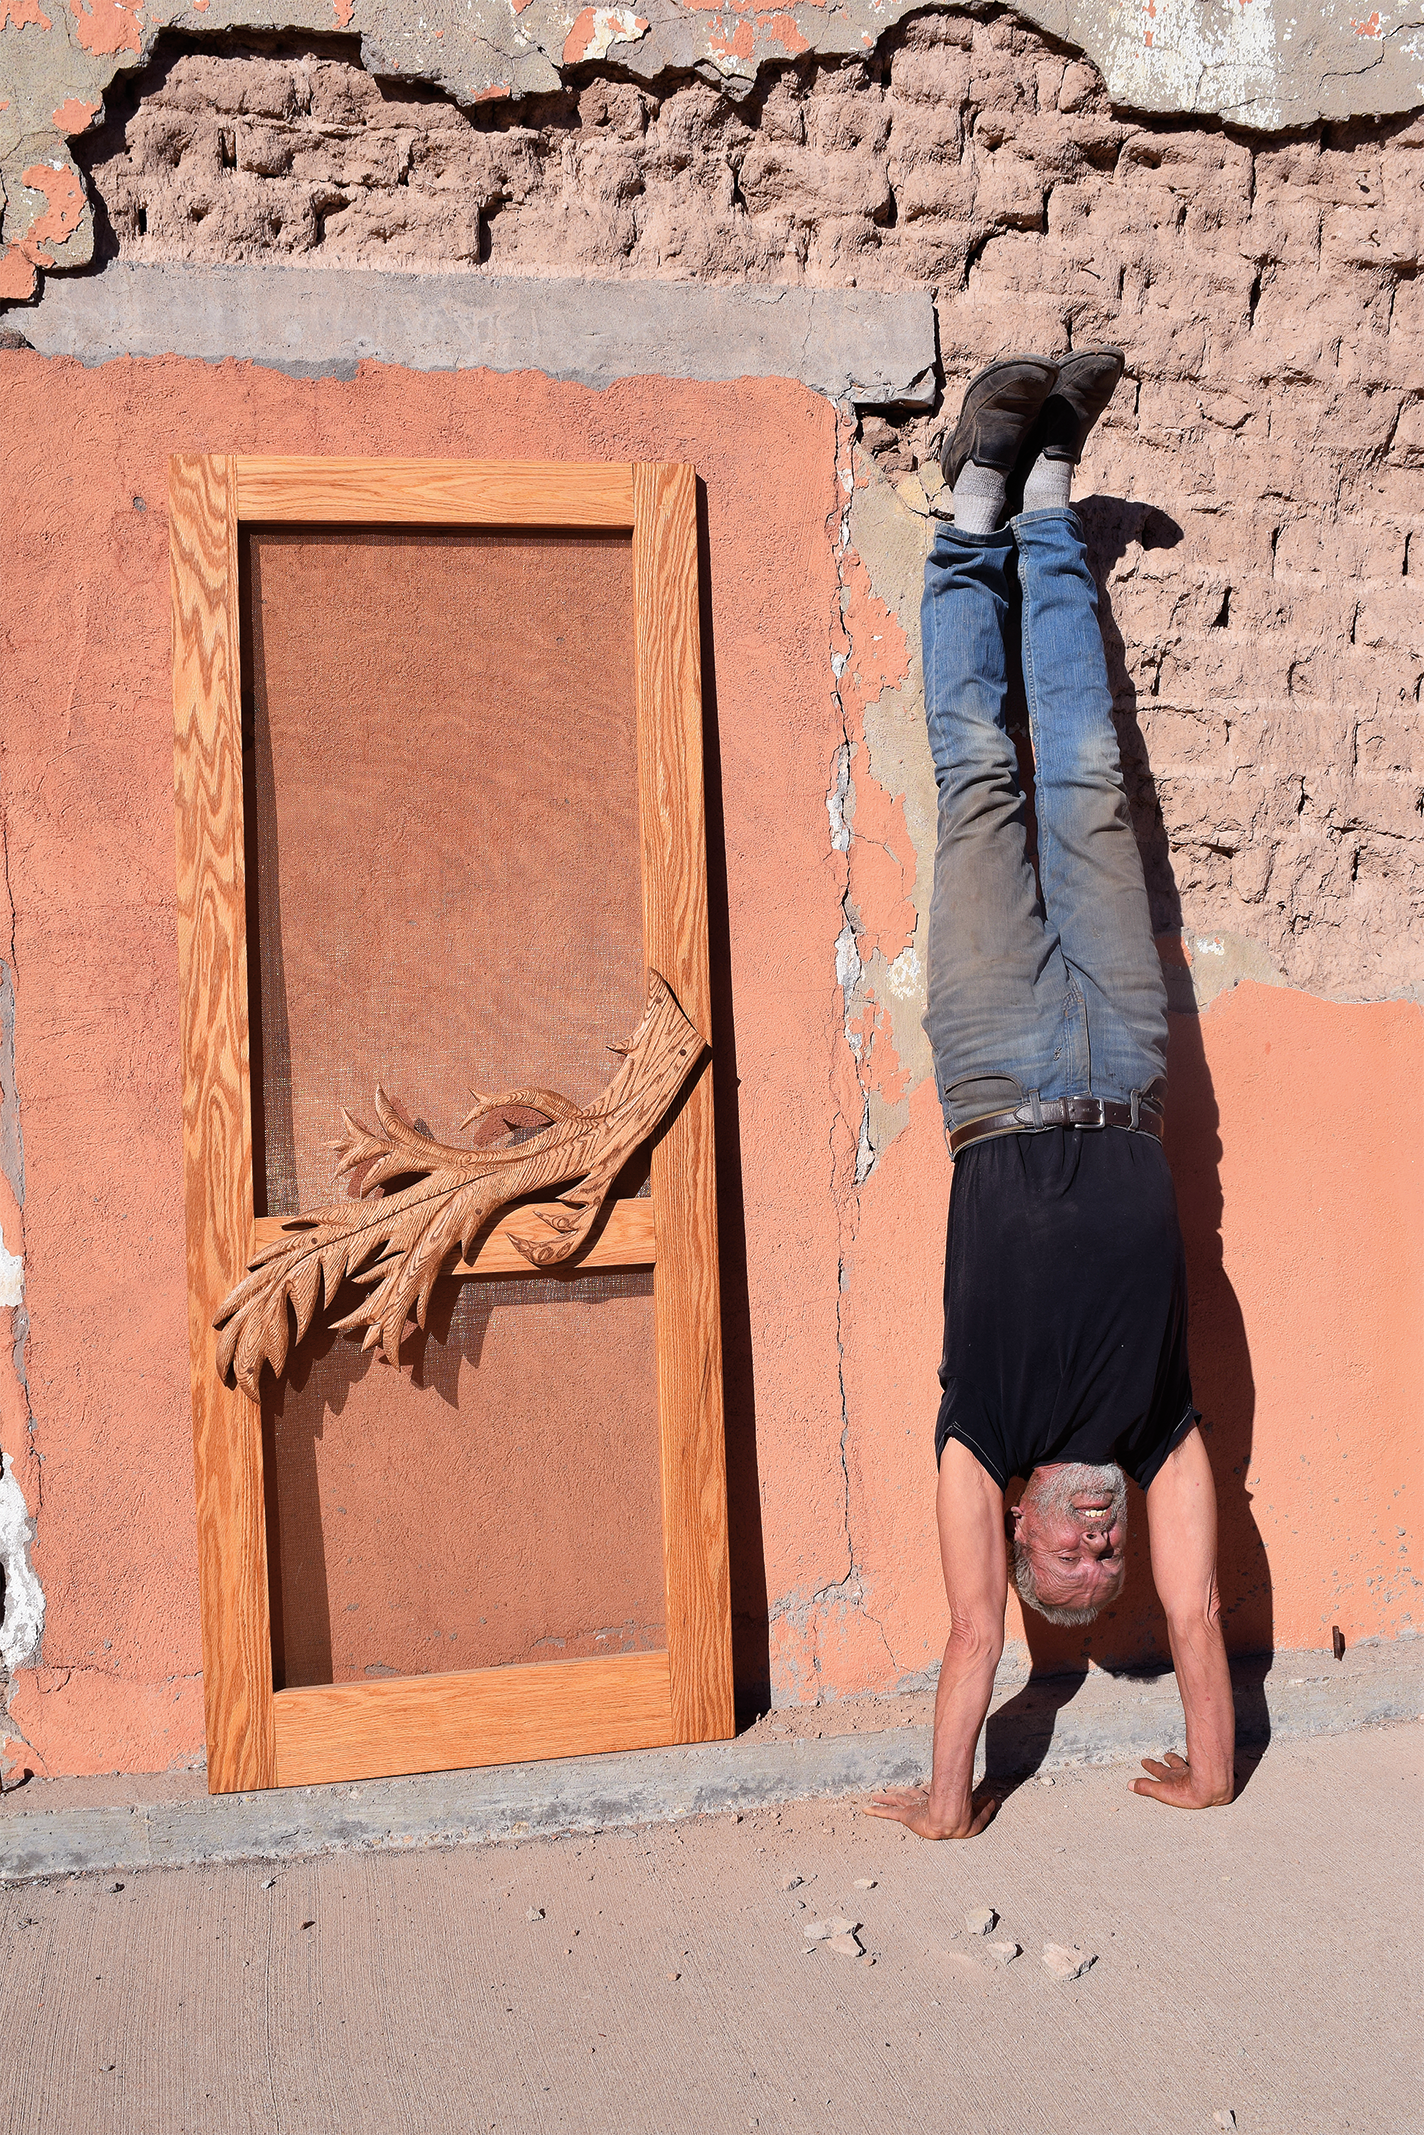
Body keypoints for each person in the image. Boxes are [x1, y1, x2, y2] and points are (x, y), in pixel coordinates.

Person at [866, 353, 1236, 1841]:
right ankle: (1057, 482)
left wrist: (949, 1804)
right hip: (1130, 1062)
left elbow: (972, 1643)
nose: (1093, 1555)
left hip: (1002, 1067)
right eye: (1107, 1565)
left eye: (1062, 1573)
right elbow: (1200, 1614)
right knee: (1082, 774)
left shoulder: (983, 1425)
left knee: (979, 774)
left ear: (1015, 1523)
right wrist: (1211, 1769)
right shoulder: (1158, 1430)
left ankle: (974, 501)